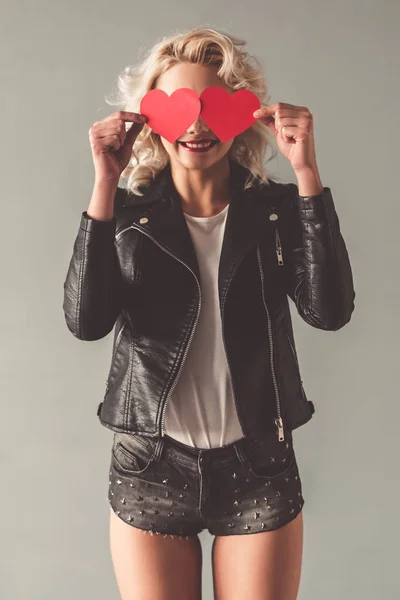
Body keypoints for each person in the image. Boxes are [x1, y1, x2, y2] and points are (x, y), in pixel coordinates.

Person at [63, 27, 355, 600]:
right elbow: (86, 320)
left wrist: (306, 177)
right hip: (151, 463)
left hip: (259, 466)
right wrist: (104, 184)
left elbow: (330, 311)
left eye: (213, 107)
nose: (195, 126)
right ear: (150, 119)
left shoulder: (276, 210)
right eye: (178, 109)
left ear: (242, 115)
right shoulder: (126, 215)